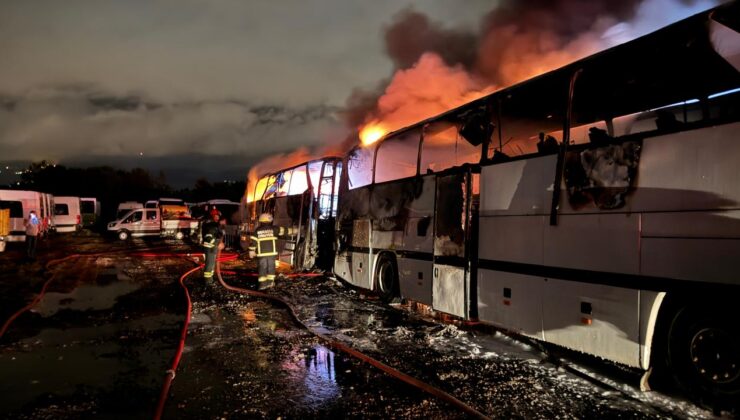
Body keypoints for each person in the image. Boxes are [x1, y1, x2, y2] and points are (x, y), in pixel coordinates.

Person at [249, 213, 296, 290]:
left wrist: (251, 250)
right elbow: (284, 230)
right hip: (271, 254)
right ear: (270, 221)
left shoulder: (257, 230)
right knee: (271, 268)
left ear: (261, 221)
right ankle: (270, 283)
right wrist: (294, 230)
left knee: (262, 268)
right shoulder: (274, 229)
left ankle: (262, 284)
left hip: (262, 255)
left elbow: (253, 241)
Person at [201, 209, 224, 282]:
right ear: (212, 216)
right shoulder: (211, 224)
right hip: (210, 247)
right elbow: (209, 237)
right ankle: (208, 281)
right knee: (210, 264)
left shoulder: (210, 224)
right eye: (216, 216)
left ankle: (210, 280)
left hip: (211, 247)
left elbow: (216, 235)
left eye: (218, 216)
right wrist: (218, 244)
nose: (217, 218)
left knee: (211, 264)